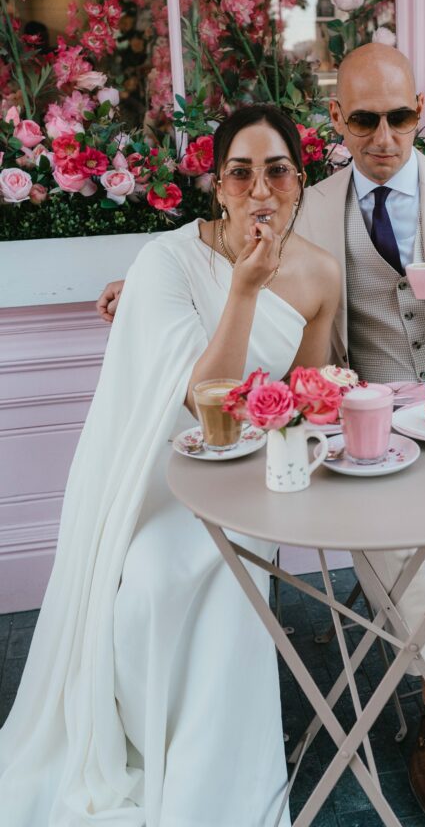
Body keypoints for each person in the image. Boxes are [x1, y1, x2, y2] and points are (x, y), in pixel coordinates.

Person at [96, 45, 425, 822]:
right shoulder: (304, 198)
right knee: (375, 540)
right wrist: (140, 285)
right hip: (371, 425)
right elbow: (229, 227)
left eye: (401, 116)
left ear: (419, 114)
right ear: (336, 120)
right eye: (365, 119)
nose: (384, 135)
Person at [0, 105, 341, 827]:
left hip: (249, 482)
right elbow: (202, 402)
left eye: (276, 171)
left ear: (298, 181)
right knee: (150, 584)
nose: (259, 190)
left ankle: (210, 780)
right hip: (155, 476)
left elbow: (307, 401)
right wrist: (245, 288)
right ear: (217, 185)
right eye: (240, 173)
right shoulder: (164, 259)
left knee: (211, 580)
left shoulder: (320, 275)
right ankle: (143, 745)